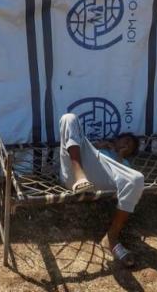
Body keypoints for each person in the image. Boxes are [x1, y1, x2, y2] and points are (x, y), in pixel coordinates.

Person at [59, 113, 145, 267]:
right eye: (125, 141)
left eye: (129, 147)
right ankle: (79, 175)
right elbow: (77, 144)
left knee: (137, 179)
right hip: (74, 170)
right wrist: (97, 147)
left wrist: (118, 155)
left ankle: (111, 237)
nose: (126, 145)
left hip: (100, 178)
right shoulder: (96, 147)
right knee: (69, 118)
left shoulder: (124, 164)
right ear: (116, 139)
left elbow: (123, 182)